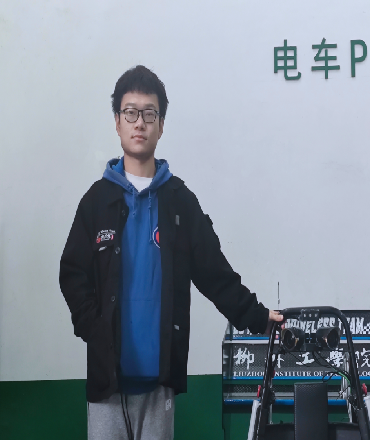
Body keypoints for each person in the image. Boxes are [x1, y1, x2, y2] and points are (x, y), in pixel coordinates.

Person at [59, 65, 283, 440]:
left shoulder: (180, 202)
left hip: (159, 380)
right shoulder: (96, 202)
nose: (140, 123)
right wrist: (93, 329)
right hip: (107, 380)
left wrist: (258, 317)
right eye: (130, 112)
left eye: (149, 114)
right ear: (117, 122)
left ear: (161, 125)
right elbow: (72, 274)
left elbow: (214, 273)